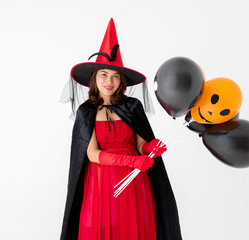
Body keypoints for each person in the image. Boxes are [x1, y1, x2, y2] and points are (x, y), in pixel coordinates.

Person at [61, 19, 182, 240]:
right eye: (104, 74)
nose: (110, 81)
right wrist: (130, 161)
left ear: (122, 80)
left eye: (116, 76)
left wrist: (149, 147)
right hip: (100, 182)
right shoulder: (86, 112)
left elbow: (138, 143)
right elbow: (92, 154)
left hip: (135, 182)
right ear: (94, 79)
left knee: (133, 229)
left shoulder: (132, 107)